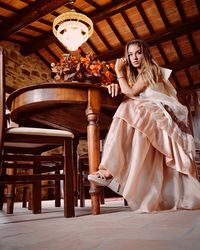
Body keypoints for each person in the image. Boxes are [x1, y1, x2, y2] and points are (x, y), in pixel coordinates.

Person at [88, 39, 200, 213]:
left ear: (145, 54)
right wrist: (116, 85)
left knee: (129, 107)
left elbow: (131, 93)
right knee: (131, 114)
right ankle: (113, 170)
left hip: (164, 112)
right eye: (130, 54)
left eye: (138, 52)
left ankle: (109, 170)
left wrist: (119, 72)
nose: (134, 57)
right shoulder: (134, 76)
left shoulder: (151, 69)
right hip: (149, 111)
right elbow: (129, 91)